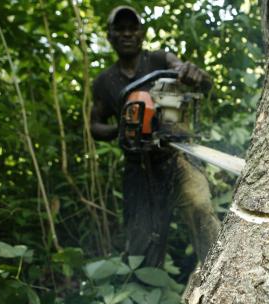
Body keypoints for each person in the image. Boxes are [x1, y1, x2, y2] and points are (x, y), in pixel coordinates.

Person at [90, 5, 220, 267]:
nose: (127, 34)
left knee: (199, 208)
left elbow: (202, 82)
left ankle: (222, 274)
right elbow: (94, 126)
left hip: (176, 156)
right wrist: (123, 127)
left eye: (132, 28)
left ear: (141, 33)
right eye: (120, 29)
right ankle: (148, 299)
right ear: (110, 36)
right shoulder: (105, 81)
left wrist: (192, 73)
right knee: (142, 243)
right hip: (138, 168)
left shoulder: (159, 61)